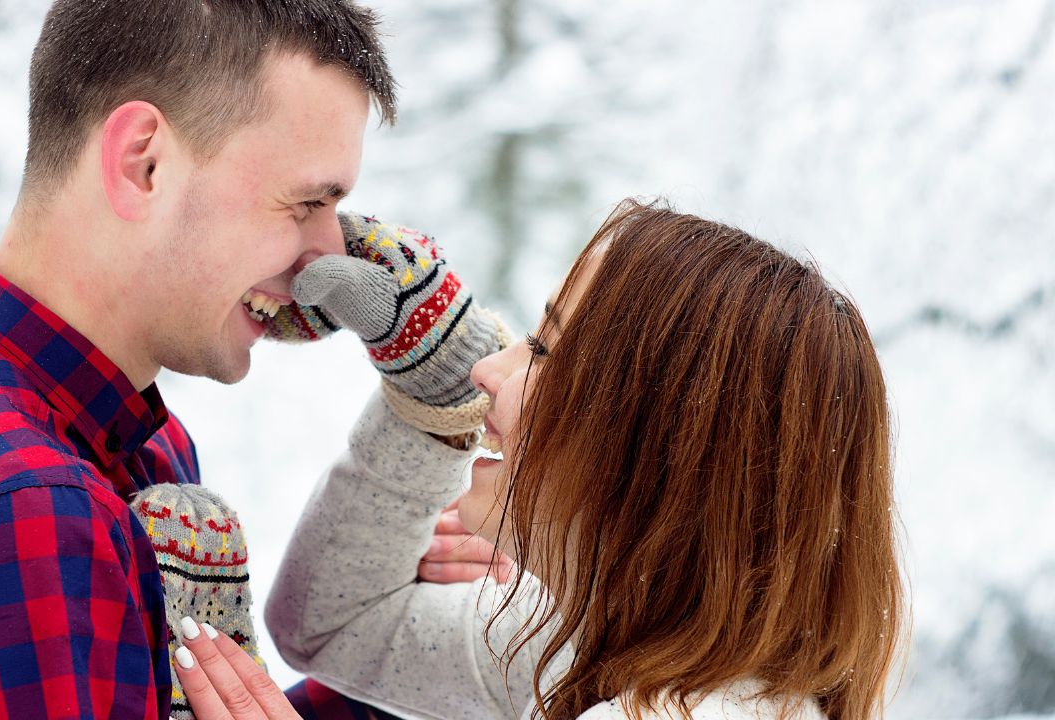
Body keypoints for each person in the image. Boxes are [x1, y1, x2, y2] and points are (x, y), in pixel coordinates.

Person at [0, 2, 402, 716]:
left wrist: (409, 625)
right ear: (144, 163)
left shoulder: (104, 441)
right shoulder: (22, 524)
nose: (331, 252)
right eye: (304, 203)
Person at [165, 200, 907, 719]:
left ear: (647, 446)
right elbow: (331, 627)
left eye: (545, 349)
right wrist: (428, 395)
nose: (491, 368)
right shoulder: (581, 649)